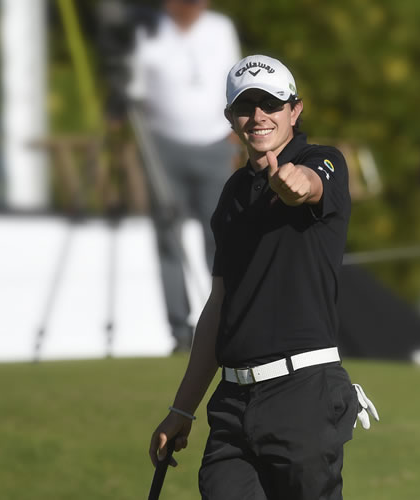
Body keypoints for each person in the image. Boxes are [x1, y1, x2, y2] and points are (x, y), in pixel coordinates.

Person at [148, 54, 378, 499]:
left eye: (270, 104)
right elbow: (219, 306)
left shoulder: (324, 161)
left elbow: (310, 184)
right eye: (245, 106)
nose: (258, 116)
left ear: (295, 110)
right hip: (233, 405)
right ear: (230, 118)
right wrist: (182, 409)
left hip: (304, 396)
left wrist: (295, 186)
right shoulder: (232, 193)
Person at [126, 0, 242, 352]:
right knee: (169, 240)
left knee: (222, 238)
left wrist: (234, 140)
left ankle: (228, 324)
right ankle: (180, 331)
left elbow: (235, 84)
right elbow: (135, 94)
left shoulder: (220, 28)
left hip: (215, 146)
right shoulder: (147, 31)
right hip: (163, 149)